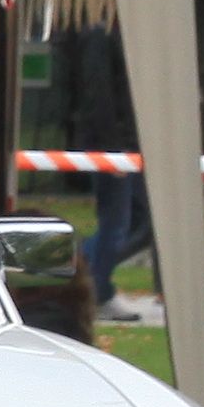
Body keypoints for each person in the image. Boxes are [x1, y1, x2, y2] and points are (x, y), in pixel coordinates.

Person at [65, 17, 152, 319]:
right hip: (112, 143)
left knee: (140, 220)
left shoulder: (120, 29)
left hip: (128, 141)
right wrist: (110, 147)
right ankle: (92, 287)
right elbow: (97, 92)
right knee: (118, 222)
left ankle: (83, 277)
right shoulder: (100, 32)